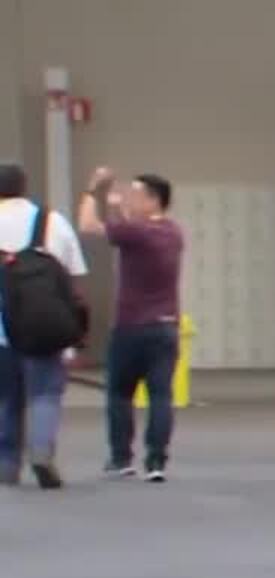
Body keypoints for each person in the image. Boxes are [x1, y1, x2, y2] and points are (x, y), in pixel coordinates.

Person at [77, 166, 186, 480]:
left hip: (132, 326)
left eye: (136, 195)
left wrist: (94, 188)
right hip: (166, 326)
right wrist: (117, 207)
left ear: (154, 200)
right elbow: (126, 229)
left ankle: (121, 458)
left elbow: (87, 225)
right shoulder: (172, 232)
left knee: (119, 393)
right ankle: (156, 461)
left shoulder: (138, 233)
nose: (130, 199)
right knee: (160, 395)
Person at [0, 161, 88, 489]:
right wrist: (76, 333)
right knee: (45, 393)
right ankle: (41, 452)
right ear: (24, 187)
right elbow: (75, 277)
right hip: (42, 325)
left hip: (2, 331)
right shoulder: (52, 221)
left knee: (6, 398)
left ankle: (6, 464)